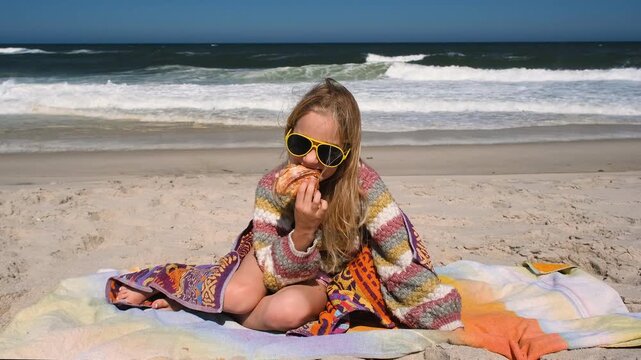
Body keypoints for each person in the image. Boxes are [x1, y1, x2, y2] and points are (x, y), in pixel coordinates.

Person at [109, 78, 462, 333]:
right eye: (299, 143)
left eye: (326, 153)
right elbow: (270, 271)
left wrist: (440, 313)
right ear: (288, 133)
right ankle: (177, 289)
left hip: (322, 275)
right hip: (268, 256)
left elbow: (398, 252)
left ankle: (205, 309)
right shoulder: (271, 187)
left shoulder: (363, 187)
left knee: (285, 312)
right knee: (241, 293)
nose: (309, 159)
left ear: (347, 155)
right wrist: (304, 230)